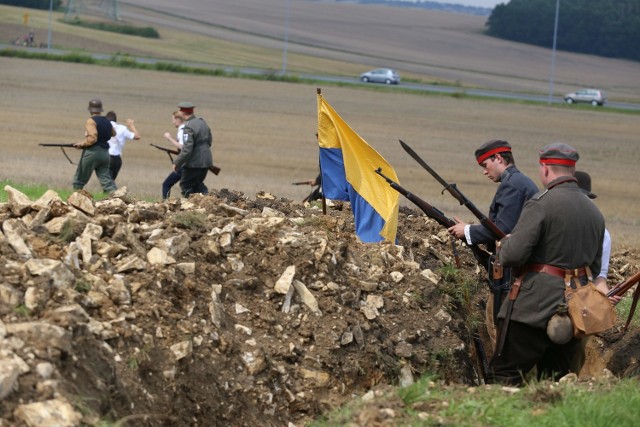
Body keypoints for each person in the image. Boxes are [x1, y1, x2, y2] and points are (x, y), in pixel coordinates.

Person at [489, 143, 606, 386]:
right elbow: (594, 268)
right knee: (555, 381)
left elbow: (512, 256)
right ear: (572, 171)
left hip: (533, 306)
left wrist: (506, 244)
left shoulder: (541, 203)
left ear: (545, 169)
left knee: (505, 377)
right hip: (575, 308)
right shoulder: (594, 213)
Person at [448, 140, 538, 345]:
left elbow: (503, 230)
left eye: (485, 165)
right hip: (517, 269)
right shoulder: (517, 182)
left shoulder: (513, 185)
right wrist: (470, 229)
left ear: (498, 158)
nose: (484, 172)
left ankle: (504, 375)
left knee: (499, 328)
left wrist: (468, 231)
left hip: (512, 273)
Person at [570, 171, 620, 375]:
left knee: (576, 352)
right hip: (552, 290)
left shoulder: (602, 233)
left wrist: (604, 298)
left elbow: (600, 276)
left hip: (582, 296)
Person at [72, 99, 117, 194]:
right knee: (107, 181)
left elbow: (92, 138)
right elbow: (113, 133)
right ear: (100, 110)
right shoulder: (107, 121)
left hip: (93, 152)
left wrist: (82, 144)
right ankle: (117, 198)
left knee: (79, 180)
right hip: (105, 154)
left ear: (90, 109)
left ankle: (75, 200)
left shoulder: (91, 121)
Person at [172, 101, 213, 197]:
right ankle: (208, 201)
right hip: (206, 160)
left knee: (186, 184)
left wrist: (177, 162)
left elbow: (187, 149)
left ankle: (191, 207)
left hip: (194, 162)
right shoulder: (202, 122)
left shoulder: (189, 126)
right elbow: (209, 141)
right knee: (198, 184)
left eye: (180, 111)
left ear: (183, 113)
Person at [106, 111, 141, 181]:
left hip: (105, 157)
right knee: (111, 180)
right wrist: (131, 126)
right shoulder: (122, 128)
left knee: (107, 182)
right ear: (115, 120)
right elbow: (137, 136)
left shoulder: (103, 126)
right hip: (117, 159)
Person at [162, 111, 186, 199]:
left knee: (166, 184)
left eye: (173, 120)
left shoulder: (182, 130)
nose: (173, 122)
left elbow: (183, 147)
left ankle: (165, 204)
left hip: (184, 164)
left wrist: (169, 139)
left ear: (178, 119)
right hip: (186, 163)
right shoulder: (185, 129)